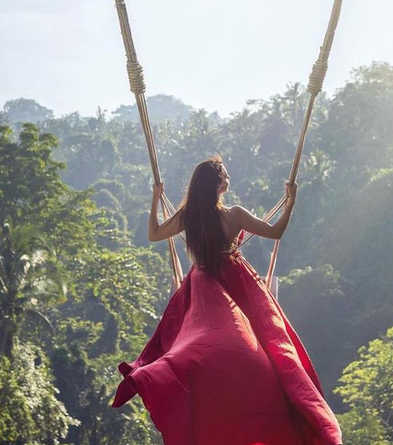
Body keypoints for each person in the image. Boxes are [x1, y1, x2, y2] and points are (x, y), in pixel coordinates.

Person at [112, 155, 343, 445]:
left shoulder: (189, 216)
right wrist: (291, 202)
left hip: (202, 280)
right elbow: (276, 232)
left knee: (192, 336)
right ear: (218, 183)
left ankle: (184, 376)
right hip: (237, 281)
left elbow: (154, 234)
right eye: (226, 175)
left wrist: (155, 200)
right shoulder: (234, 215)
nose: (229, 178)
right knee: (272, 341)